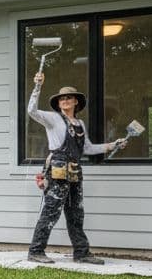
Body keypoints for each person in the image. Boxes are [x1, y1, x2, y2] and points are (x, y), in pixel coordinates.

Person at [25, 71, 126, 264]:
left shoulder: (79, 123)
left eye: (69, 97)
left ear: (76, 102)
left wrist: (113, 144)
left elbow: (87, 148)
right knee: (51, 211)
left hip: (74, 171)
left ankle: (81, 253)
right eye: (62, 98)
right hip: (57, 170)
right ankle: (35, 251)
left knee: (76, 214)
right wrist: (38, 86)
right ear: (58, 103)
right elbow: (32, 111)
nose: (65, 100)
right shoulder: (53, 119)